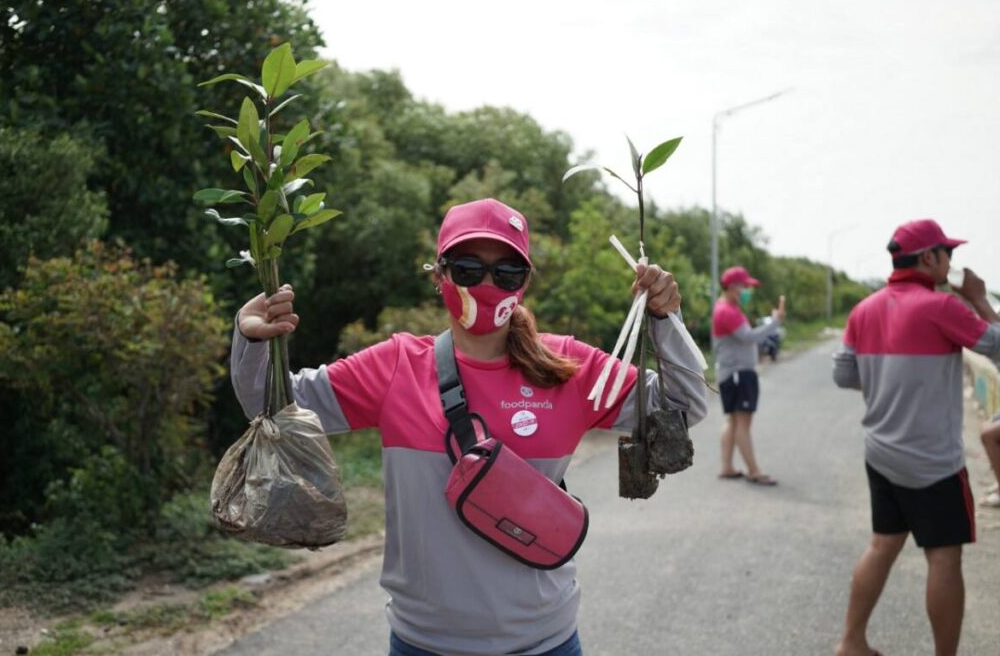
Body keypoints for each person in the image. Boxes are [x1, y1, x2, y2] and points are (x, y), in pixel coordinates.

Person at [231, 198, 708, 656]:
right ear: (438, 274)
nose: (486, 283)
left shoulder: (570, 367)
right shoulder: (395, 366)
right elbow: (270, 405)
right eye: (467, 269)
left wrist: (665, 318)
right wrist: (250, 339)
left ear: (523, 283)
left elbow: (684, 405)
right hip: (423, 646)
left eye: (506, 272)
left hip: (545, 643)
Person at [831, 219, 1000, 656]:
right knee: (944, 557)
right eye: (949, 254)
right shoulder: (942, 307)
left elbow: (844, 374)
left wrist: (889, 378)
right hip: (933, 463)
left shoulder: (863, 310)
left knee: (882, 545)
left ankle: (851, 642)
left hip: (881, 453)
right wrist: (980, 300)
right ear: (929, 258)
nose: (952, 262)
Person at [711, 265, 786, 485]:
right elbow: (750, 337)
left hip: (731, 373)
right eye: (745, 287)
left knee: (733, 420)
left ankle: (727, 466)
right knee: (743, 422)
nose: (747, 291)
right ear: (733, 287)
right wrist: (776, 322)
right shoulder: (727, 311)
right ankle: (754, 471)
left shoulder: (728, 308)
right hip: (738, 374)